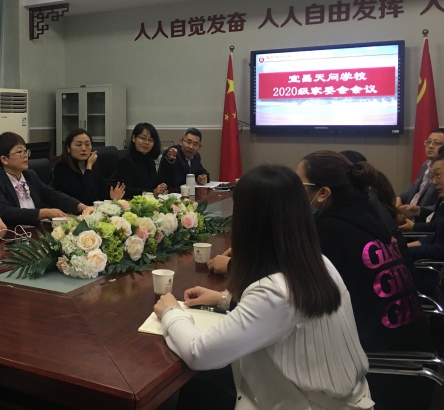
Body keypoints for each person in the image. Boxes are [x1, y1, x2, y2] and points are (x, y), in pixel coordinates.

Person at [154, 165, 372, 410]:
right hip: (344, 399)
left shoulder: (275, 292)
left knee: (199, 386)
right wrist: (224, 299)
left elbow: (199, 354)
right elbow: (285, 318)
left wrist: (171, 312)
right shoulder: (319, 262)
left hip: (306, 404)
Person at [298, 151, 431, 410]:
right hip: (412, 354)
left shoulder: (331, 230)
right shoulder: (368, 214)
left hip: (381, 368)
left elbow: (297, 292)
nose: (295, 191)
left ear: (323, 193)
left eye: (300, 184)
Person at [0, 132, 86, 225]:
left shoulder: (30, 176)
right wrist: (42, 213)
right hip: (10, 234)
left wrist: (81, 206)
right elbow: (4, 212)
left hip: (36, 231)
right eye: (20, 152)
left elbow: (52, 195)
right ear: (4, 159)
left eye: (25, 151)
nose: (25, 155)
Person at [52, 128, 125, 205]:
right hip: (70, 210)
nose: (84, 149)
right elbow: (83, 195)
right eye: (78, 145)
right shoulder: (61, 167)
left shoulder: (92, 165)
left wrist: (112, 195)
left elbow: (102, 189)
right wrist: (89, 166)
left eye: (87, 144)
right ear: (68, 148)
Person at [396, 128, 444, 218]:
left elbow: (439, 209)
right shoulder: (426, 165)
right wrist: (399, 198)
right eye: (428, 142)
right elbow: (414, 187)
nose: (430, 146)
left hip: (424, 219)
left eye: (437, 143)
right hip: (410, 215)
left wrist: (418, 211)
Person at [407, 148, 444, 262]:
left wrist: (406, 252)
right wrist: (404, 247)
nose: (434, 182)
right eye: (433, 176)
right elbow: (438, 237)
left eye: (438, 175)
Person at [117, 122, 167, 199]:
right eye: (143, 138)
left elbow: (154, 183)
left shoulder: (150, 161)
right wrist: (152, 192)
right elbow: (126, 191)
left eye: (151, 140)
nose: (146, 142)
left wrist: (161, 187)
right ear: (134, 138)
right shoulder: (126, 161)